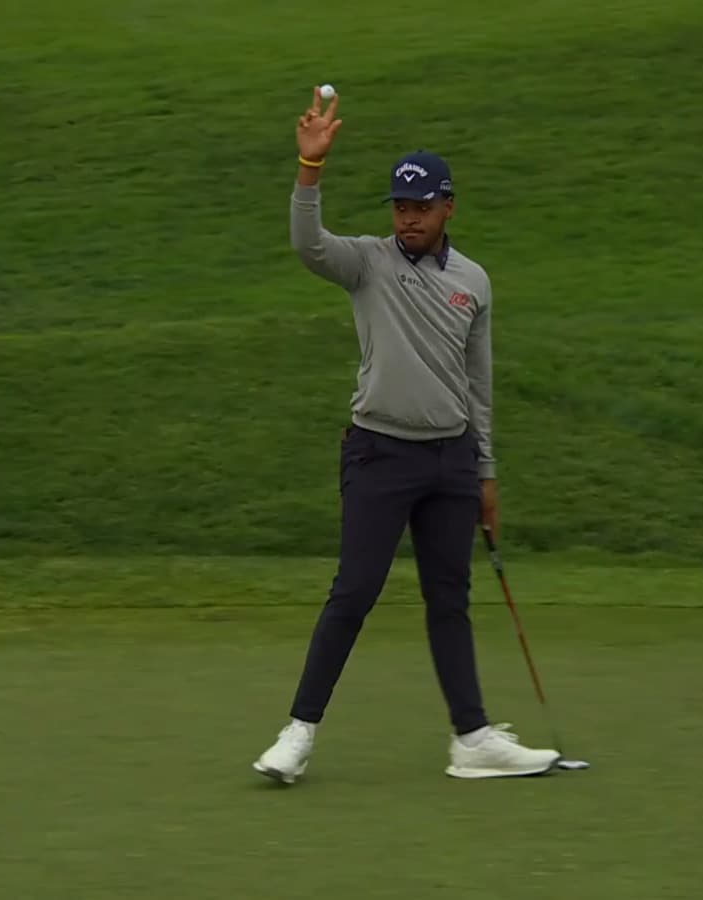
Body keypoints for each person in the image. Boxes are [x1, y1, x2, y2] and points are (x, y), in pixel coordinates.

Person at [251, 87, 562, 783]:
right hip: (379, 453)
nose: (408, 218)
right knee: (355, 591)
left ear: (448, 207)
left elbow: (478, 386)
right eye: (399, 207)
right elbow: (307, 245)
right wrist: (309, 168)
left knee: (449, 599)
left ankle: (472, 738)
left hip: (451, 461)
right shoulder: (367, 262)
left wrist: (485, 473)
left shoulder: (474, 282)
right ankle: (298, 733)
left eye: (420, 206)